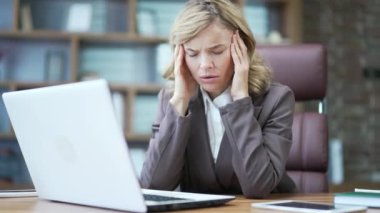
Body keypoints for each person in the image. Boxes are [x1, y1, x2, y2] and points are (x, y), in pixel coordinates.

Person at [140, 0, 296, 198]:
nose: (205, 65)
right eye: (193, 53)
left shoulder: (276, 100)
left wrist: (239, 101)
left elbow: (258, 187)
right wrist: (180, 102)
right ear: (180, 55)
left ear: (242, 48)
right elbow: (153, 185)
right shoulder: (171, 100)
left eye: (217, 51)